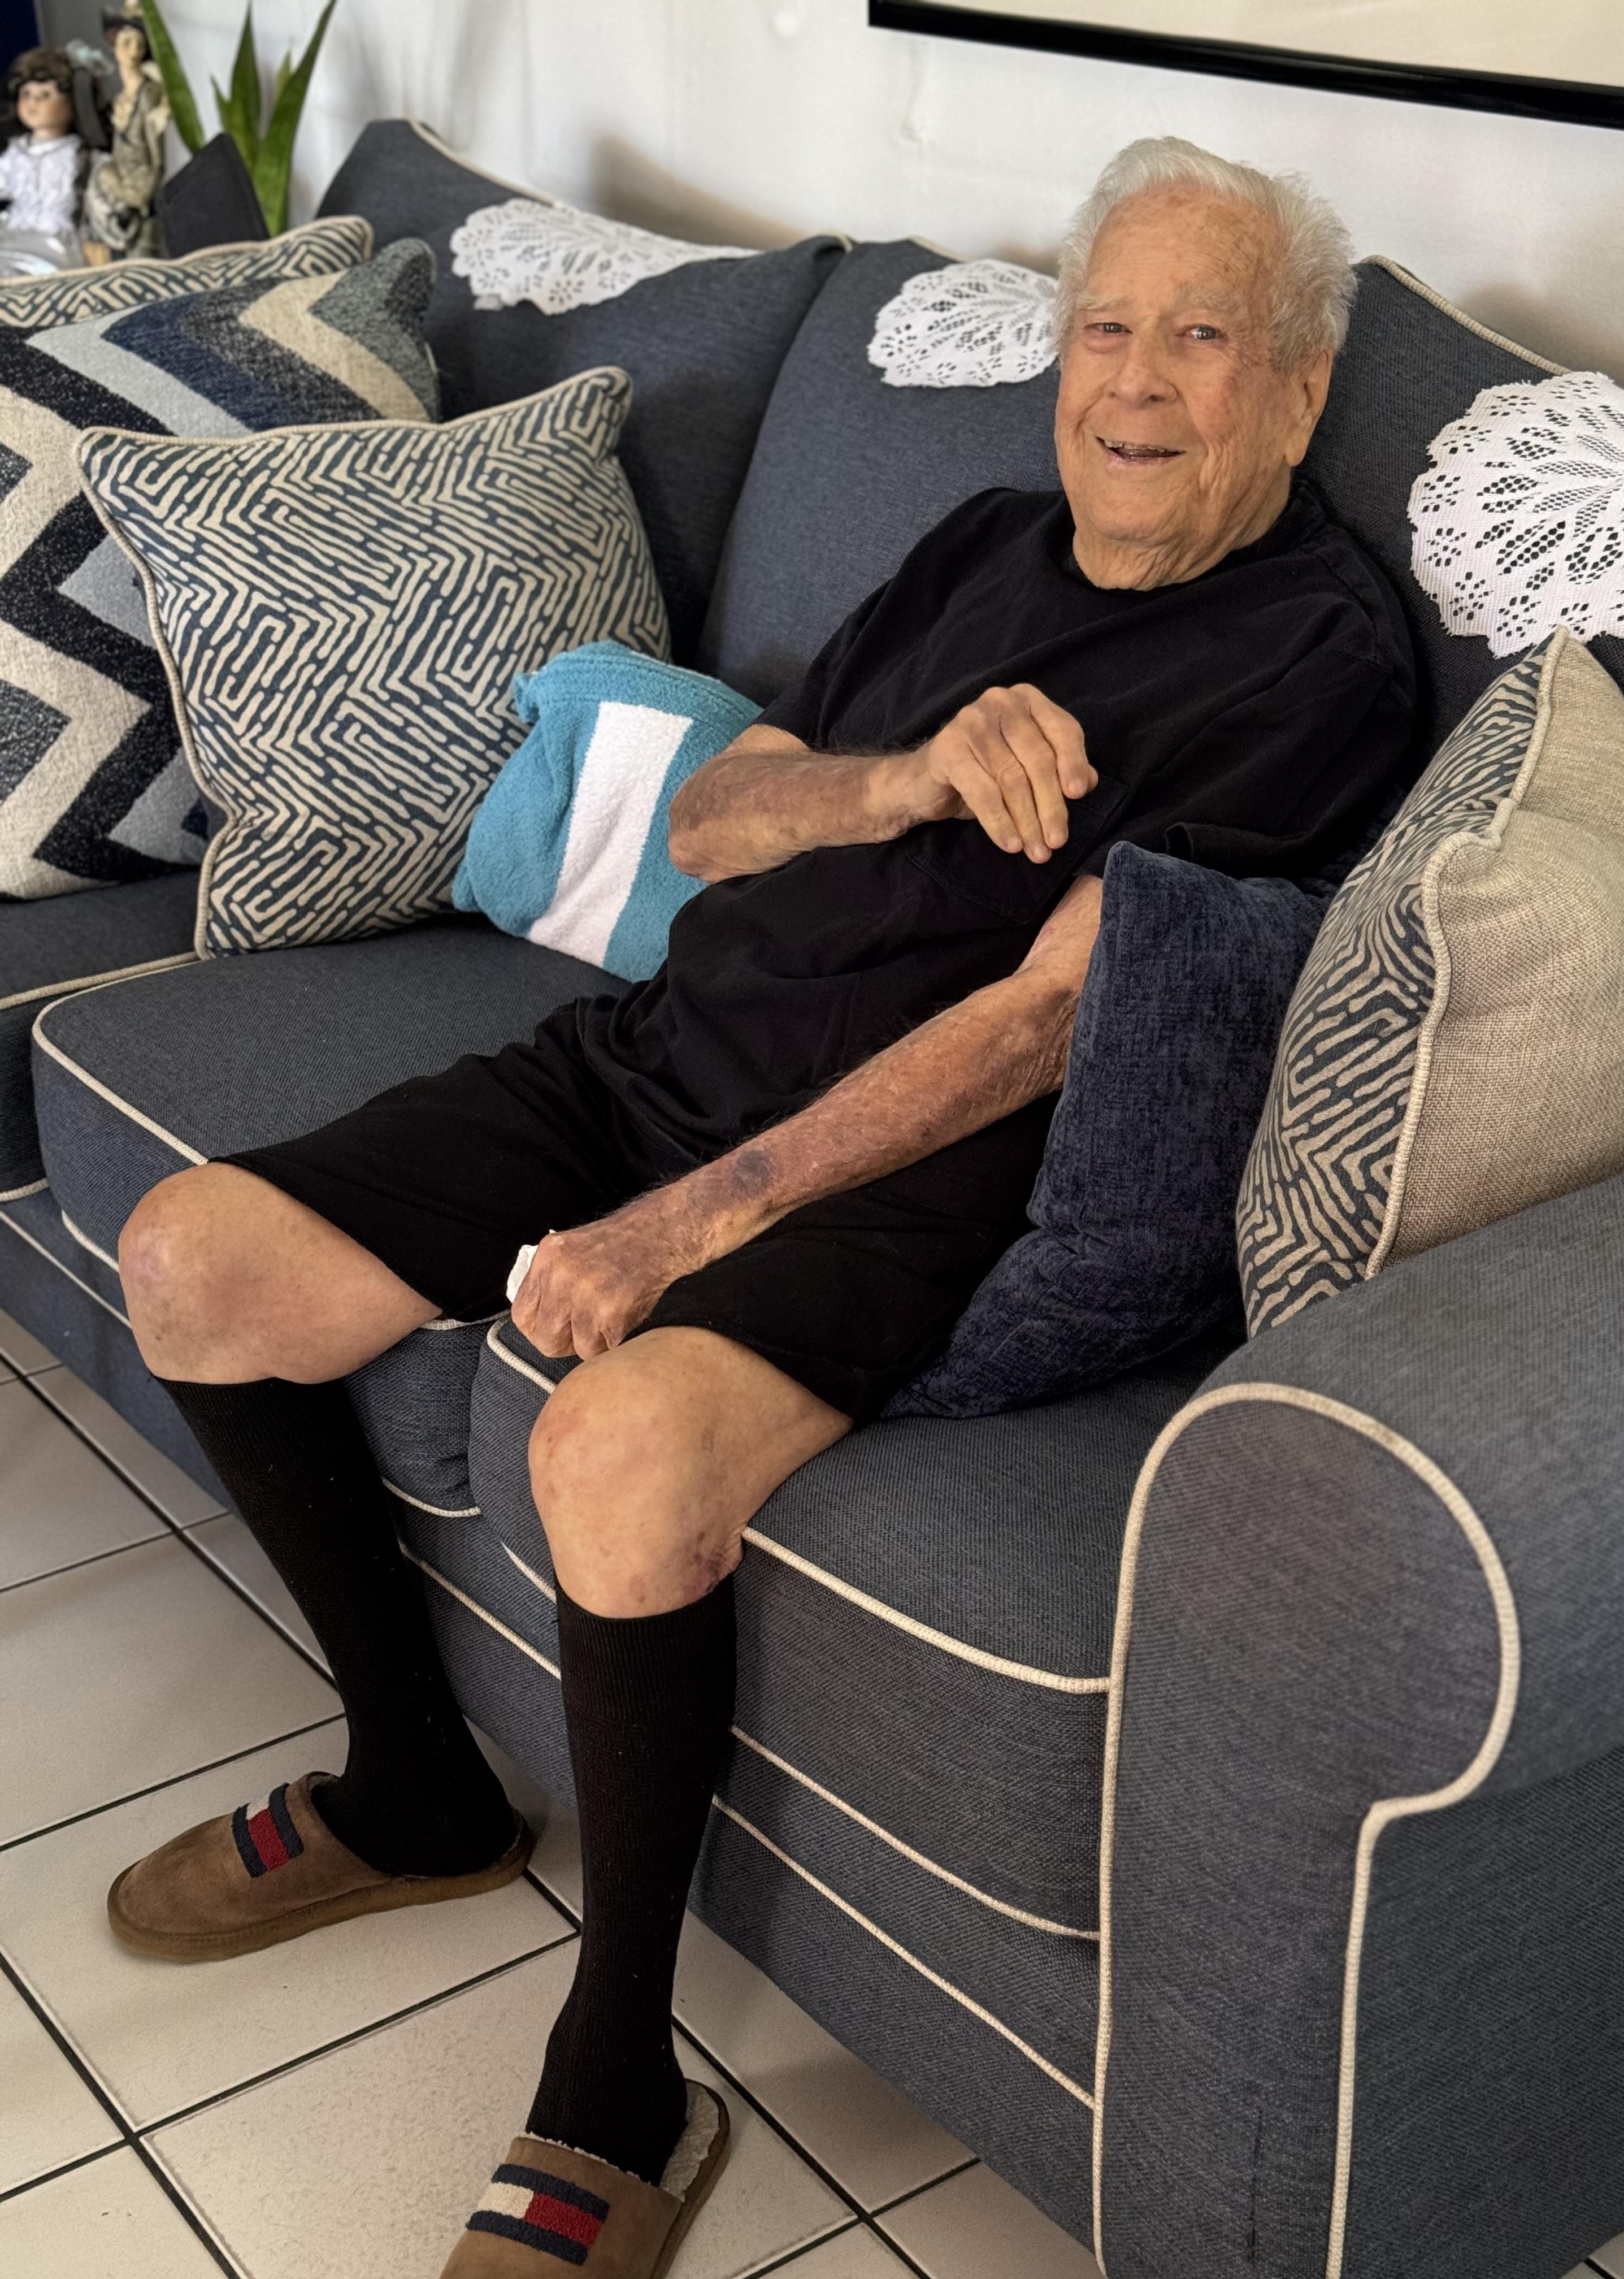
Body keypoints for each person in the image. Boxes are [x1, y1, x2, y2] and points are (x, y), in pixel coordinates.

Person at [112, 137, 1419, 2276]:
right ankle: (416, 1780)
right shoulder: (987, 537)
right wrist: (898, 780)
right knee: (195, 1266)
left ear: (1292, 386)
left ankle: (619, 2075)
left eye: (1204, 338)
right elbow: (715, 818)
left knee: (610, 1455)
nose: (1136, 383)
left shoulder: (1310, 660)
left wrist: (682, 1228)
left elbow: (1026, 1035)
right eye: (1106, 327)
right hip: (647, 1053)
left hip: (902, 1173)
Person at [82, 3, 168, 262]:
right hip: (121, 178)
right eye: (126, 42)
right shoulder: (123, 95)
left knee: (142, 259)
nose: (133, 51)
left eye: (138, 43)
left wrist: (147, 194)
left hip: (140, 185)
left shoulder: (149, 92)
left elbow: (155, 154)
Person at [0, 46, 88, 271]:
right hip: (13, 227)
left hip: (54, 238)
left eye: (45, 96)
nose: (33, 103)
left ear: (72, 102)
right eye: (26, 94)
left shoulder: (75, 154)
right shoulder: (17, 151)